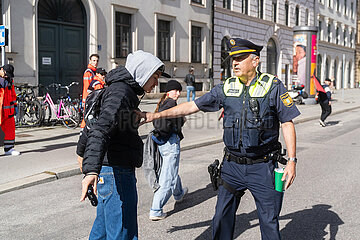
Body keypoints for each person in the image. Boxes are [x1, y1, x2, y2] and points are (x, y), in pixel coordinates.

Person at [138, 38, 300, 239]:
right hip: (232, 166)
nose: (235, 63)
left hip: (263, 166)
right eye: (233, 59)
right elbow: (192, 106)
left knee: (269, 221)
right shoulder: (226, 87)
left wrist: (292, 161)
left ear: (255, 61)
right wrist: (154, 115)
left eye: (240, 58)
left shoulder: (273, 86)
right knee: (221, 219)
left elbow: (287, 122)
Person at [77, 50, 170, 240]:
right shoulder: (121, 93)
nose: (156, 84)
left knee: (102, 232)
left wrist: (83, 154)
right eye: (155, 77)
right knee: (122, 233)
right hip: (115, 172)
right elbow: (101, 127)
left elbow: (94, 123)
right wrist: (90, 170)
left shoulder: (119, 90)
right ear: (143, 72)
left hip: (110, 170)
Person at [149, 80, 188, 221]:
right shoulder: (171, 103)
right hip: (171, 143)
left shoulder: (163, 103)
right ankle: (156, 209)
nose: (177, 93)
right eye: (175, 91)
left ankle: (179, 194)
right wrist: (181, 120)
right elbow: (172, 124)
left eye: (179, 91)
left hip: (163, 143)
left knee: (170, 169)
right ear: (168, 91)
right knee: (168, 177)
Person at [0, 64, 20, 156]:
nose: (7, 76)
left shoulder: (9, 80)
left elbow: (12, 94)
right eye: (6, 74)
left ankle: (9, 149)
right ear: (2, 70)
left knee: (10, 129)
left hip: (8, 110)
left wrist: (14, 106)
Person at [81, 54, 99, 128]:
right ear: (90, 61)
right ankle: (82, 132)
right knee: (87, 117)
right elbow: (88, 88)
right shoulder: (88, 73)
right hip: (89, 98)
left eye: (97, 61)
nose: (95, 62)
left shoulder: (94, 72)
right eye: (94, 60)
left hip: (91, 98)